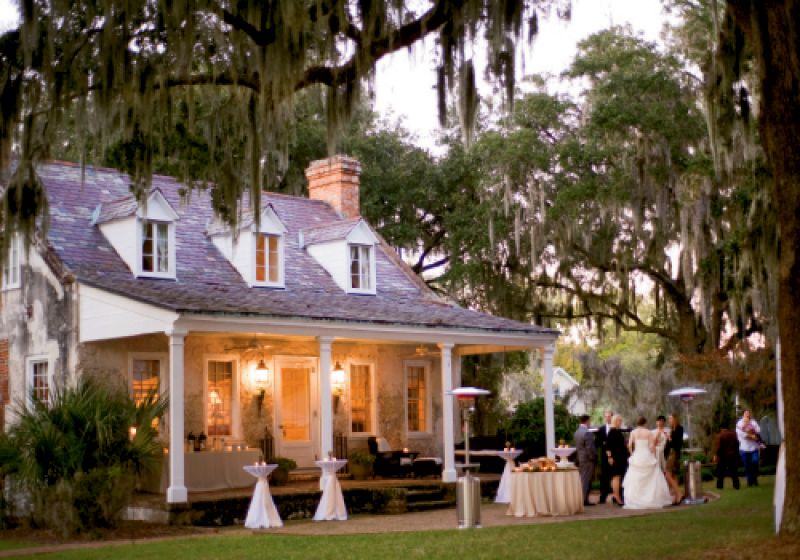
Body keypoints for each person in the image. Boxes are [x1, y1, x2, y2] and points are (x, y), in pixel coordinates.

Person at [622, 416, 672, 509]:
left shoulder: (633, 432)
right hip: (646, 454)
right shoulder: (648, 432)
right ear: (645, 423)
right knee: (652, 477)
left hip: (637, 455)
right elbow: (652, 446)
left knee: (635, 477)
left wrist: (632, 454)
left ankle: (636, 499)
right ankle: (650, 498)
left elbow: (629, 445)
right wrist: (653, 455)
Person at [605, 414, 629, 506]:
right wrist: (610, 457)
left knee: (618, 477)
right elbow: (608, 447)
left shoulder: (618, 431)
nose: (621, 422)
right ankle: (617, 496)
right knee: (616, 477)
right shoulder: (612, 432)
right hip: (616, 457)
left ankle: (617, 495)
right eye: (619, 420)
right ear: (615, 421)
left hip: (621, 457)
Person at [574, 414, 596, 506]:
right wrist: (593, 457)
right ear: (587, 421)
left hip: (580, 458)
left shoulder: (577, 432)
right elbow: (589, 448)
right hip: (587, 459)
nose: (590, 423)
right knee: (586, 479)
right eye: (589, 421)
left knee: (583, 478)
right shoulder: (587, 432)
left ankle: (583, 498)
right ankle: (584, 499)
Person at [736, 409, 762, 487]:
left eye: (748, 413)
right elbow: (740, 434)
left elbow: (758, 430)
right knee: (747, 466)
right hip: (744, 449)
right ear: (743, 414)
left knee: (755, 462)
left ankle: (754, 478)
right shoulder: (739, 423)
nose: (747, 414)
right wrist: (751, 436)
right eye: (746, 413)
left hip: (754, 448)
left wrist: (753, 432)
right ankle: (749, 481)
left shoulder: (753, 422)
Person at [711, 425, 740, 490]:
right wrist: (736, 453)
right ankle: (736, 486)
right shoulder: (733, 434)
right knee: (734, 472)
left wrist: (716, 455)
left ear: (721, 429)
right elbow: (737, 444)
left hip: (723, 456)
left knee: (720, 472)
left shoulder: (720, 435)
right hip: (732, 455)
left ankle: (720, 486)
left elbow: (719, 447)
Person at [664, 413, 684, 504]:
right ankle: (677, 496)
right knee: (673, 475)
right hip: (670, 453)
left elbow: (678, 443)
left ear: (675, 419)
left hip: (674, 453)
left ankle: (679, 493)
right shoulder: (672, 429)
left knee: (668, 474)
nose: (669, 420)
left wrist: (669, 438)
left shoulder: (679, 429)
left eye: (671, 419)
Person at [594, 409, 614, 504]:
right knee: (604, 476)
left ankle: (616, 496)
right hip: (604, 456)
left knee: (615, 475)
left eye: (609, 416)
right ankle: (603, 496)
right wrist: (604, 443)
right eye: (606, 416)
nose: (607, 418)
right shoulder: (601, 429)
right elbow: (597, 443)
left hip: (615, 455)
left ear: (612, 417)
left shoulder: (616, 428)